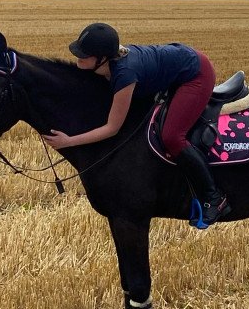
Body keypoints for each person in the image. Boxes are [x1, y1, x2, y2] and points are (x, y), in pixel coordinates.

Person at [43, 22, 231, 226]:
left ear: (102, 58)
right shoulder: (108, 66)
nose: (78, 56)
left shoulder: (124, 74)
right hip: (179, 61)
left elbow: (112, 128)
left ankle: (214, 198)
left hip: (196, 74)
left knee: (172, 136)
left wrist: (69, 141)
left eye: (84, 53)